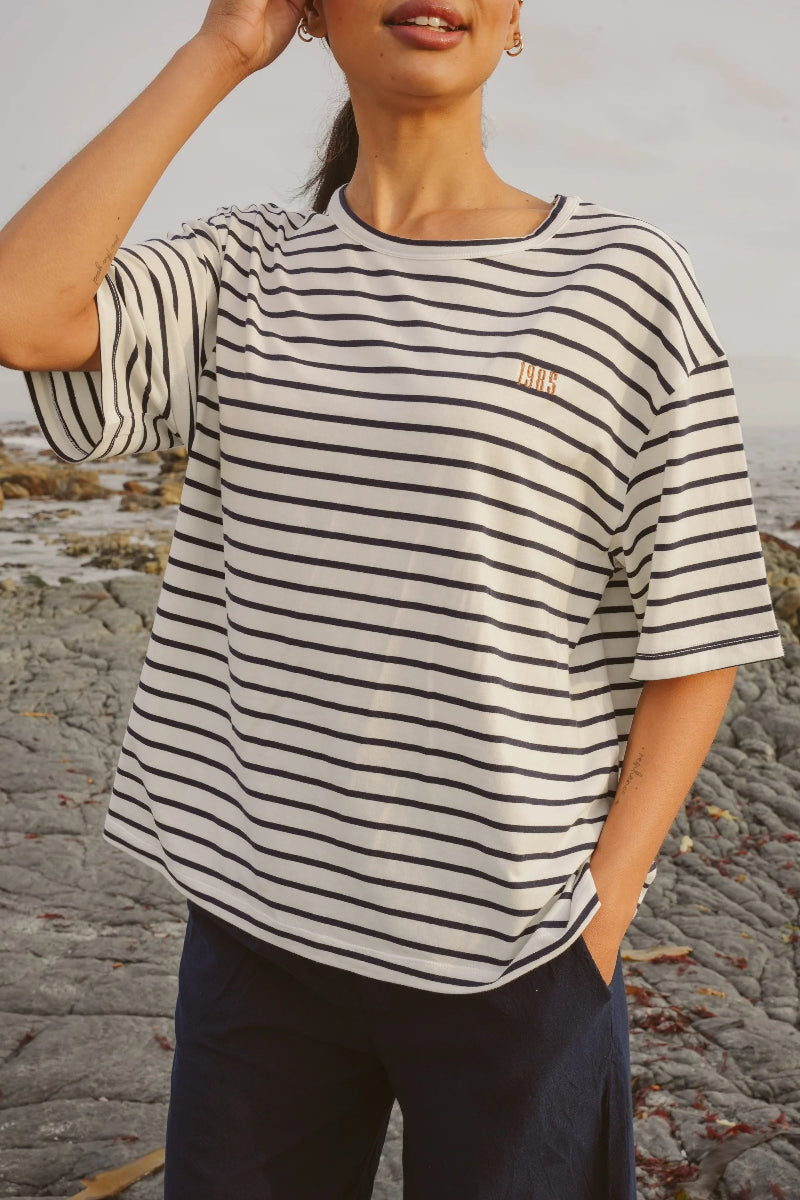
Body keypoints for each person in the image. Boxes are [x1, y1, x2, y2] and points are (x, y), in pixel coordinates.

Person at [0, 0, 785, 1195]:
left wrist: (601, 913)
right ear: (311, 12)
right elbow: (23, 311)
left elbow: (697, 622)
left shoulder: (622, 281)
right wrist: (220, 50)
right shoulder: (242, 267)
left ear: (513, 20)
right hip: (258, 932)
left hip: (518, 953)